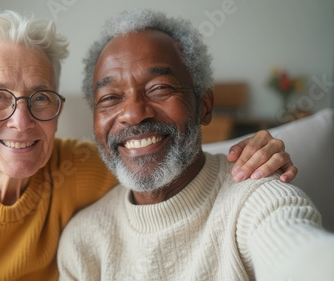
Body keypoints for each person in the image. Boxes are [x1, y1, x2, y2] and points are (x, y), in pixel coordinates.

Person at [0, 8, 299, 281]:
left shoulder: (85, 171)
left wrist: (251, 155)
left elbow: (168, 159)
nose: (21, 121)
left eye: (39, 98)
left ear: (57, 109)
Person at [57, 8, 334, 281]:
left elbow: (298, 251)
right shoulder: (83, 242)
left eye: (159, 88)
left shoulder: (256, 198)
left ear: (204, 105)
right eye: (110, 98)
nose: (133, 113)